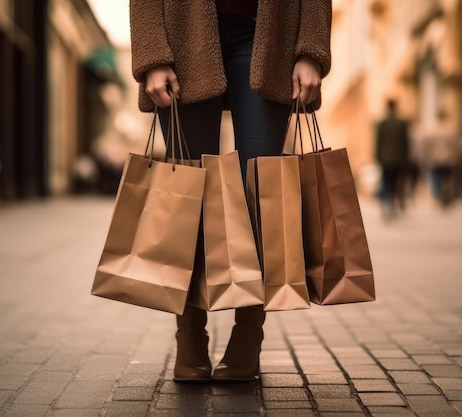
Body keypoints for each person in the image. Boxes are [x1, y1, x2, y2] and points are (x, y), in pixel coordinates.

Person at [129, 0, 332, 382]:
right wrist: (151, 54)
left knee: (263, 194)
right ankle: (189, 334)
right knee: (184, 196)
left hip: (267, 37)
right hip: (183, 32)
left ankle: (248, 335)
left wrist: (311, 50)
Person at [375, 99, 411, 219]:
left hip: (385, 159)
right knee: (395, 182)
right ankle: (391, 203)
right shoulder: (401, 123)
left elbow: (378, 142)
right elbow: (406, 143)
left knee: (386, 181)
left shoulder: (382, 123)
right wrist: (406, 158)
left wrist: (377, 157)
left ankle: (386, 202)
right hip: (398, 158)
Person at [424, 109, 459, 208]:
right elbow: (454, 146)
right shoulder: (451, 129)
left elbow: (428, 146)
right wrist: (454, 156)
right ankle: (447, 198)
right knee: (447, 179)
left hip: (436, 159)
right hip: (448, 159)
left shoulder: (433, 130)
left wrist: (428, 156)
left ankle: (438, 198)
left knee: (436, 180)